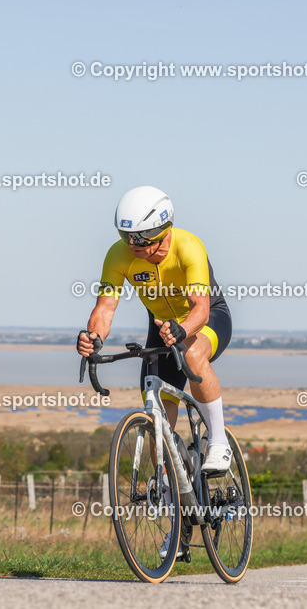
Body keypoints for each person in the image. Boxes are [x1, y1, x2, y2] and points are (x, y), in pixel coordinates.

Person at [77, 185, 233, 474]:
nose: (132, 244)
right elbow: (105, 308)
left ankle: (219, 442)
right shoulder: (119, 255)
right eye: (125, 236)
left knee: (192, 354)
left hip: (205, 320)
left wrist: (183, 331)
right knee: (156, 409)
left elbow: (201, 307)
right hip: (160, 325)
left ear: (163, 229)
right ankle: (167, 485)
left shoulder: (188, 246)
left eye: (140, 237)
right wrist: (93, 337)